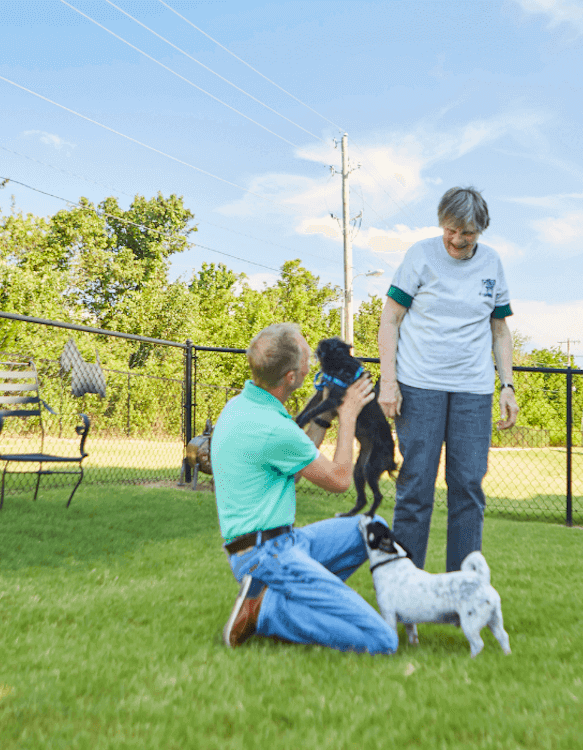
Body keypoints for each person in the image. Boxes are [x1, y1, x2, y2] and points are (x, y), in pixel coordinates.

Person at [213, 322, 398, 653]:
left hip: (277, 542)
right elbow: (340, 479)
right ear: (290, 377)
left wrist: (325, 414)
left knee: (372, 529)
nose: (312, 364)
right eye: (306, 360)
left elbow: (298, 465)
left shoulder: (241, 407)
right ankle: (267, 610)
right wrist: (348, 414)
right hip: (267, 555)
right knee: (382, 640)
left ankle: (287, 596)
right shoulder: (273, 428)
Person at [378, 186, 518, 572]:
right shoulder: (420, 256)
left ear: (481, 230)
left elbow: (500, 331)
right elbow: (390, 319)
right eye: (450, 230)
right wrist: (388, 382)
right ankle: (406, 588)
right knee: (415, 487)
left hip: (473, 392)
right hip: (418, 386)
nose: (457, 240)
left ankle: (463, 589)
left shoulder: (491, 263)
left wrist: (507, 386)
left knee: (468, 490)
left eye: (467, 233)